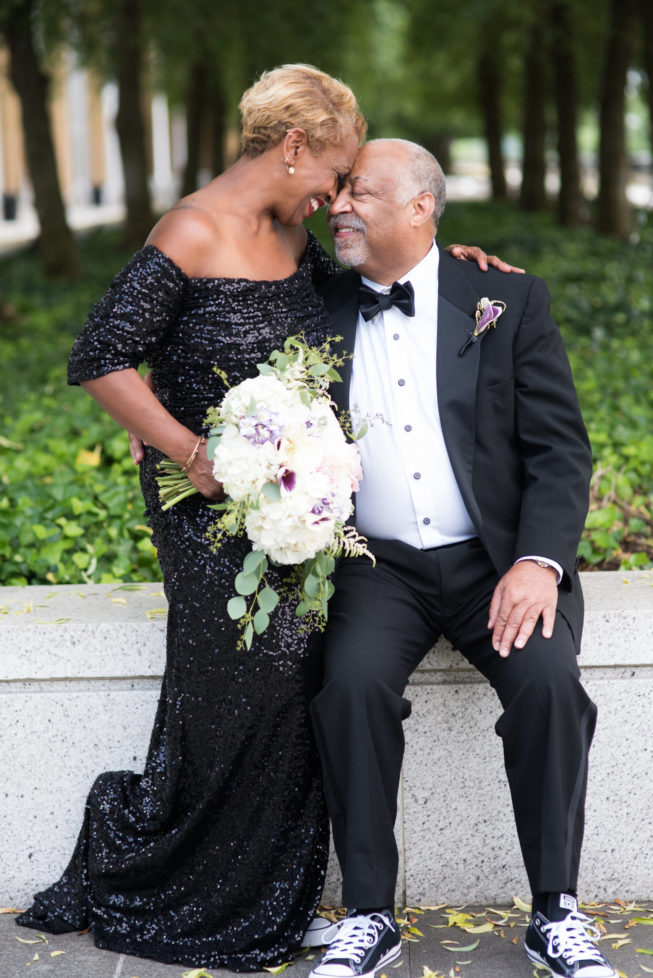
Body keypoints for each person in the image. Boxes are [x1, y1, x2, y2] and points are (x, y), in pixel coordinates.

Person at [15, 70, 507, 970]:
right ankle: (194, 889)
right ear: (292, 147)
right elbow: (101, 358)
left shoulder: (291, 229)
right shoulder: (190, 231)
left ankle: (272, 899)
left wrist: (446, 257)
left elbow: (359, 300)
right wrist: (184, 449)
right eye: (334, 171)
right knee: (241, 689)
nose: (336, 194)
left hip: (299, 498)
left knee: (295, 688)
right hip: (208, 512)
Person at [308, 139, 616, 978]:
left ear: (420, 208)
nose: (339, 205)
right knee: (350, 691)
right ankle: (369, 913)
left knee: (552, 689)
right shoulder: (313, 304)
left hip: (497, 564)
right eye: (338, 191)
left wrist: (538, 562)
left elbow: (559, 452)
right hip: (379, 570)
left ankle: (555, 911)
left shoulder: (504, 299)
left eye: (360, 192)